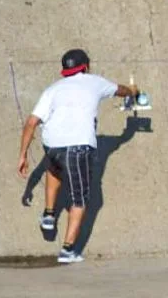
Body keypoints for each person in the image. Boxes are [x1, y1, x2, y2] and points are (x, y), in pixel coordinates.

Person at [16, 49, 140, 264]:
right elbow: (120, 90)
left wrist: (23, 155)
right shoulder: (94, 82)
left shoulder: (53, 89)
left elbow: (31, 123)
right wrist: (133, 91)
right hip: (78, 147)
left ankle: (48, 215)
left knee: (53, 168)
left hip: (52, 144)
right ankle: (68, 250)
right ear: (86, 66)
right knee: (80, 199)